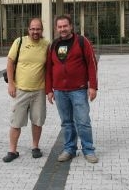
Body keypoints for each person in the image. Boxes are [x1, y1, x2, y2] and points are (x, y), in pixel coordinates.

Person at [45, 15, 99, 163]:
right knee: (66, 122)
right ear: (56, 28)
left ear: (71, 27)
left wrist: (93, 86)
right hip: (60, 91)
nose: (62, 29)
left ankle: (88, 150)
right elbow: (48, 69)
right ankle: (69, 149)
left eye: (65, 26)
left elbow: (91, 64)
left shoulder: (82, 41)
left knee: (82, 121)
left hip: (78, 90)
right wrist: (49, 90)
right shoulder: (53, 45)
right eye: (60, 27)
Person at [3, 18, 49, 163]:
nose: (35, 32)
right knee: (16, 122)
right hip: (20, 90)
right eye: (32, 29)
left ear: (42, 30)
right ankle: (12, 150)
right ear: (28, 29)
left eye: (38, 29)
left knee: (38, 121)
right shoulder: (19, 42)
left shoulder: (46, 45)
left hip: (39, 91)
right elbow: (10, 62)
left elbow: (50, 67)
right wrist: (11, 84)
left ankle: (35, 147)